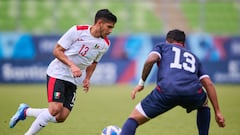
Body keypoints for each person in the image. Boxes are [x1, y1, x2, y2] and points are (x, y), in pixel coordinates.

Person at [9, 9, 117, 135]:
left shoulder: (105, 44)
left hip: (74, 79)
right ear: (99, 23)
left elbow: (94, 62)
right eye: (109, 27)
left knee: (61, 117)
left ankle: (26, 111)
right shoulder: (77, 31)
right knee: (55, 109)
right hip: (58, 73)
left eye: (112, 28)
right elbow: (57, 51)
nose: (110, 31)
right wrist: (72, 65)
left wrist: (87, 78)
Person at [120, 29, 225, 135]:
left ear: (168, 41)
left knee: (133, 119)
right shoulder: (194, 57)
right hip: (192, 92)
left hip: (167, 90)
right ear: (183, 43)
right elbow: (208, 83)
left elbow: (150, 60)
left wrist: (141, 84)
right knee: (204, 103)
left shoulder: (162, 46)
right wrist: (218, 112)